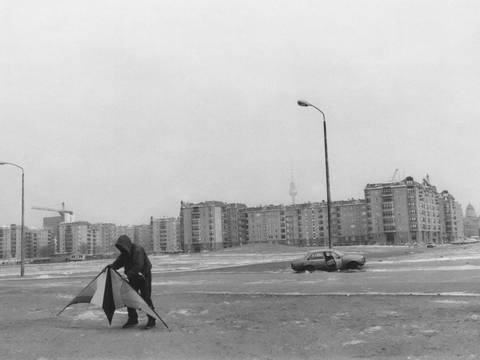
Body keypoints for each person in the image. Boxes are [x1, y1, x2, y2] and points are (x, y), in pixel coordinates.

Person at [107, 235, 156, 329]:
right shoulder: (125, 253)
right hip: (133, 276)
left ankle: (152, 319)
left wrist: (127, 275)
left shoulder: (137, 250)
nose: (122, 249)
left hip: (144, 275)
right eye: (120, 248)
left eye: (122, 247)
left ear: (127, 244)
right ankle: (133, 319)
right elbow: (118, 263)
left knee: (146, 297)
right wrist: (111, 267)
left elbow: (139, 265)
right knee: (129, 297)